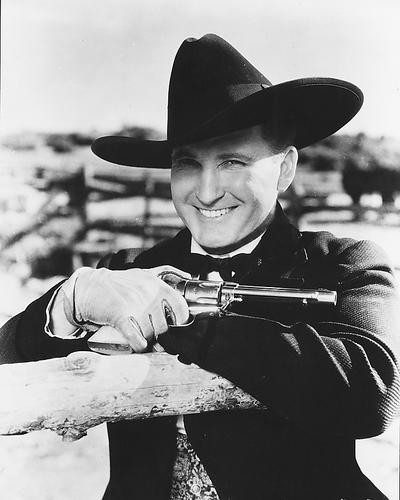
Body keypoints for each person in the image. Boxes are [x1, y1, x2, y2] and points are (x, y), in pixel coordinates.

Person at [13, 34, 400, 500]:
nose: (208, 191)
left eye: (232, 161)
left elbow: (372, 395)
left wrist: (196, 323)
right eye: (187, 164)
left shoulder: (343, 262)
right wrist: (69, 302)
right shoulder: (126, 270)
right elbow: (8, 364)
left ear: (285, 169)